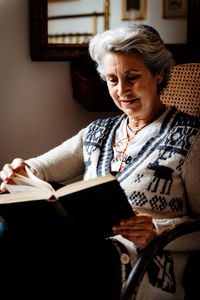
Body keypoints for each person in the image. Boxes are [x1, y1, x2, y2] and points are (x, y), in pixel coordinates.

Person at [0, 24, 200, 300]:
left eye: (132, 77)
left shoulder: (191, 137)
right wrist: (20, 171)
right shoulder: (98, 131)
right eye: (112, 80)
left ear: (158, 74)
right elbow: (41, 168)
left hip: (139, 265)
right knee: (8, 232)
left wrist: (156, 230)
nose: (122, 90)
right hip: (84, 250)